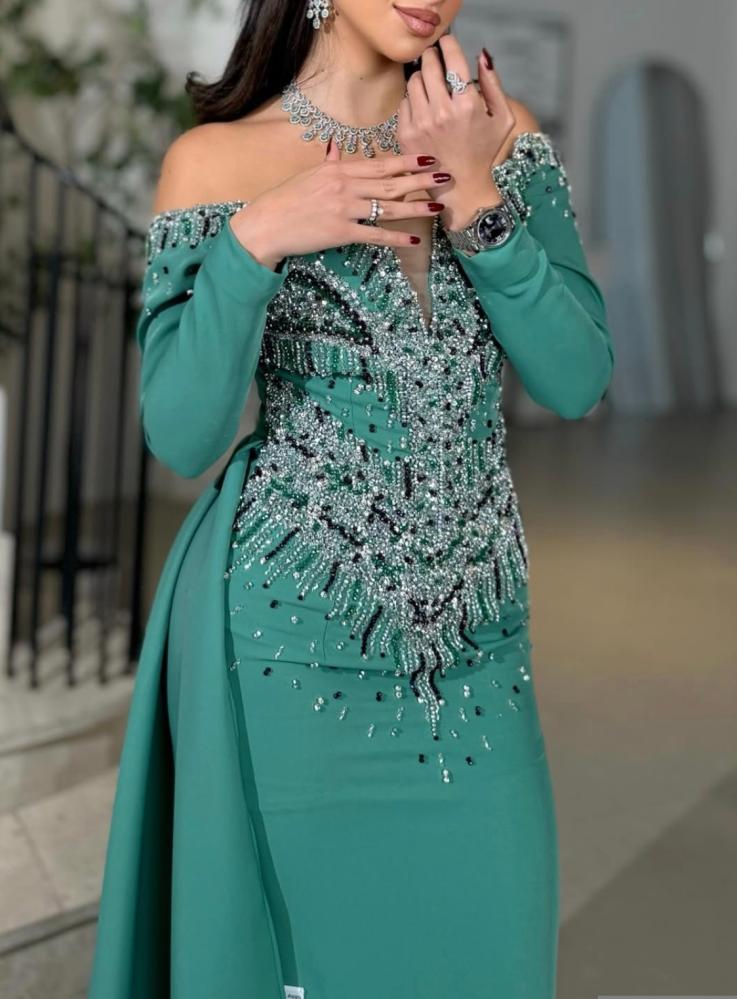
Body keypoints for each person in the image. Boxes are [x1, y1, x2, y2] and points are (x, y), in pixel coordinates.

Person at [88, 1, 614, 997]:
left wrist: (473, 191)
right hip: (294, 652)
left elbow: (576, 377)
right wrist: (256, 238)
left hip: (476, 657)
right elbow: (183, 433)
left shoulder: (503, 138)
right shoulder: (216, 161)